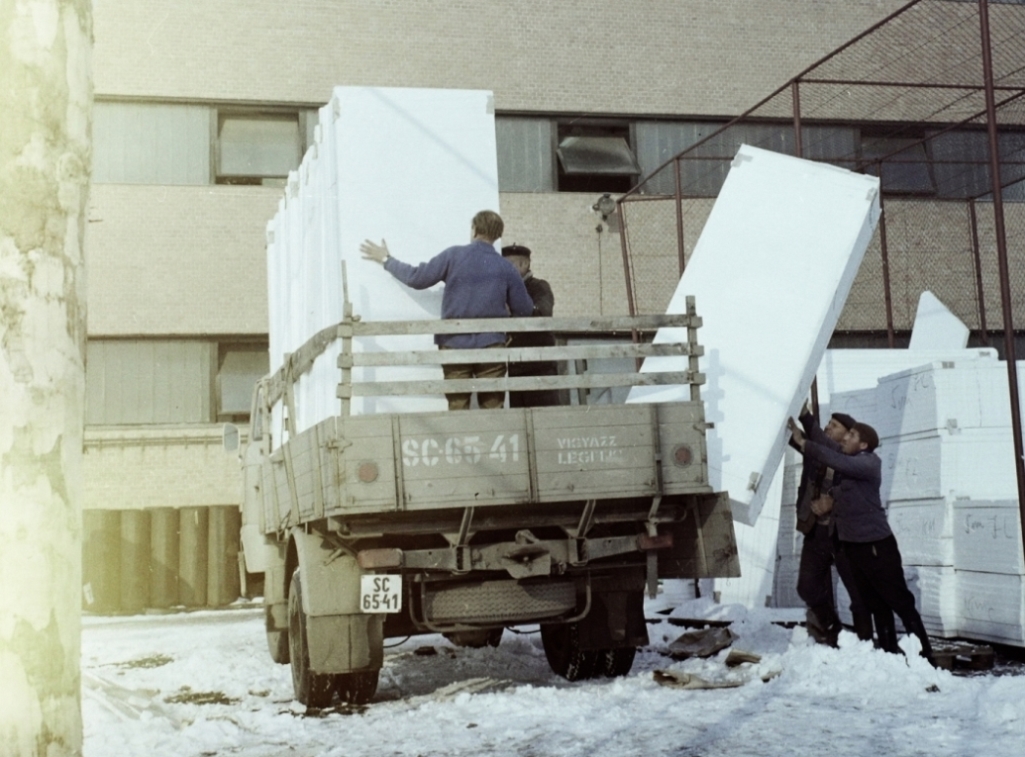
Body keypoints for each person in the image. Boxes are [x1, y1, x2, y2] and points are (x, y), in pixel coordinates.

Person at [789, 418, 936, 665]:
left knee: (899, 601)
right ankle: (889, 655)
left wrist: (804, 442)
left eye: (852, 435)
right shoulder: (853, 460)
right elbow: (829, 446)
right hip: (855, 547)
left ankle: (925, 656)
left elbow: (834, 458)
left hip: (877, 546)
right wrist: (806, 420)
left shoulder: (867, 463)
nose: (845, 438)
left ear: (864, 444)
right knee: (875, 603)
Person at [360, 210, 533, 410]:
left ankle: (458, 441)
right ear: (497, 235)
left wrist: (387, 260)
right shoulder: (506, 267)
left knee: (457, 405)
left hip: (454, 344)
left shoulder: (453, 256)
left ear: (474, 229)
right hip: (491, 346)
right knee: (493, 408)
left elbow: (417, 278)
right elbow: (524, 310)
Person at [791, 408, 873, 647]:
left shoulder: (855, 460)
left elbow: (857, 495)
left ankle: (865, 644)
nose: (828, 427)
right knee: (806, 587)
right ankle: (831, 627)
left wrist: (805, 415)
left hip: (844, 537)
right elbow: (800, 440)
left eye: (835, 425)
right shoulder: (816, 452)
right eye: (829, 423)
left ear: (849, 435)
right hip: (817, 533)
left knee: (857, 593)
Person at [501, 244, 561, 408]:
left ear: (525, 264)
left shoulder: (539, 287)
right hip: (511, 372)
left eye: (511, 265)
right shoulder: (500, 291)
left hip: (539, 369)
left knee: (544, 423)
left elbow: (542, 313)